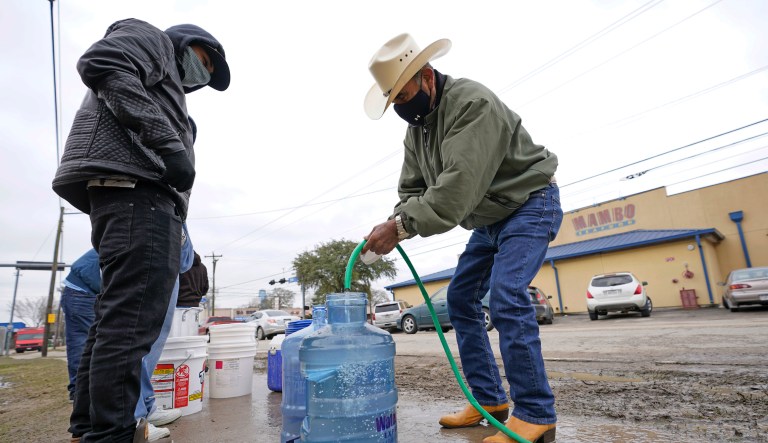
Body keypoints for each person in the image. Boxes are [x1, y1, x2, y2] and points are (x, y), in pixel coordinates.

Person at [361, 34, 562, 443]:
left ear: (428, 77)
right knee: (460, 300)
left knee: (506, 296)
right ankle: (490, 401)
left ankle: (537, 414)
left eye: (405, 93)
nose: (402, 105)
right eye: (393, 100)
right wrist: (397, 219)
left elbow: (456, 189)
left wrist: (399, 227)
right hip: (488, 221)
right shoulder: (417, 132)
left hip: (528, 203)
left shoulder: (473, 104)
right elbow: (412, 192)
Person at [52, 18, 230, 443]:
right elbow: (102, 62)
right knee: (130, 327)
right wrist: (169, 144)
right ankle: (112, 435)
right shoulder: (152, 41)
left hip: (131, 197)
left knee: (114, 322)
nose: (201, 76)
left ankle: (89, 429)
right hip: (137, 195)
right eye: (203, 62)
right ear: (186, 43)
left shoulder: (166, 89)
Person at [60, 249, 100, 403]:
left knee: (83, 342)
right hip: (83, 292)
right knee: (84, 343)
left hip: (78, 291)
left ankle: (79, 390)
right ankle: (80, 391)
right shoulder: (127, 240)